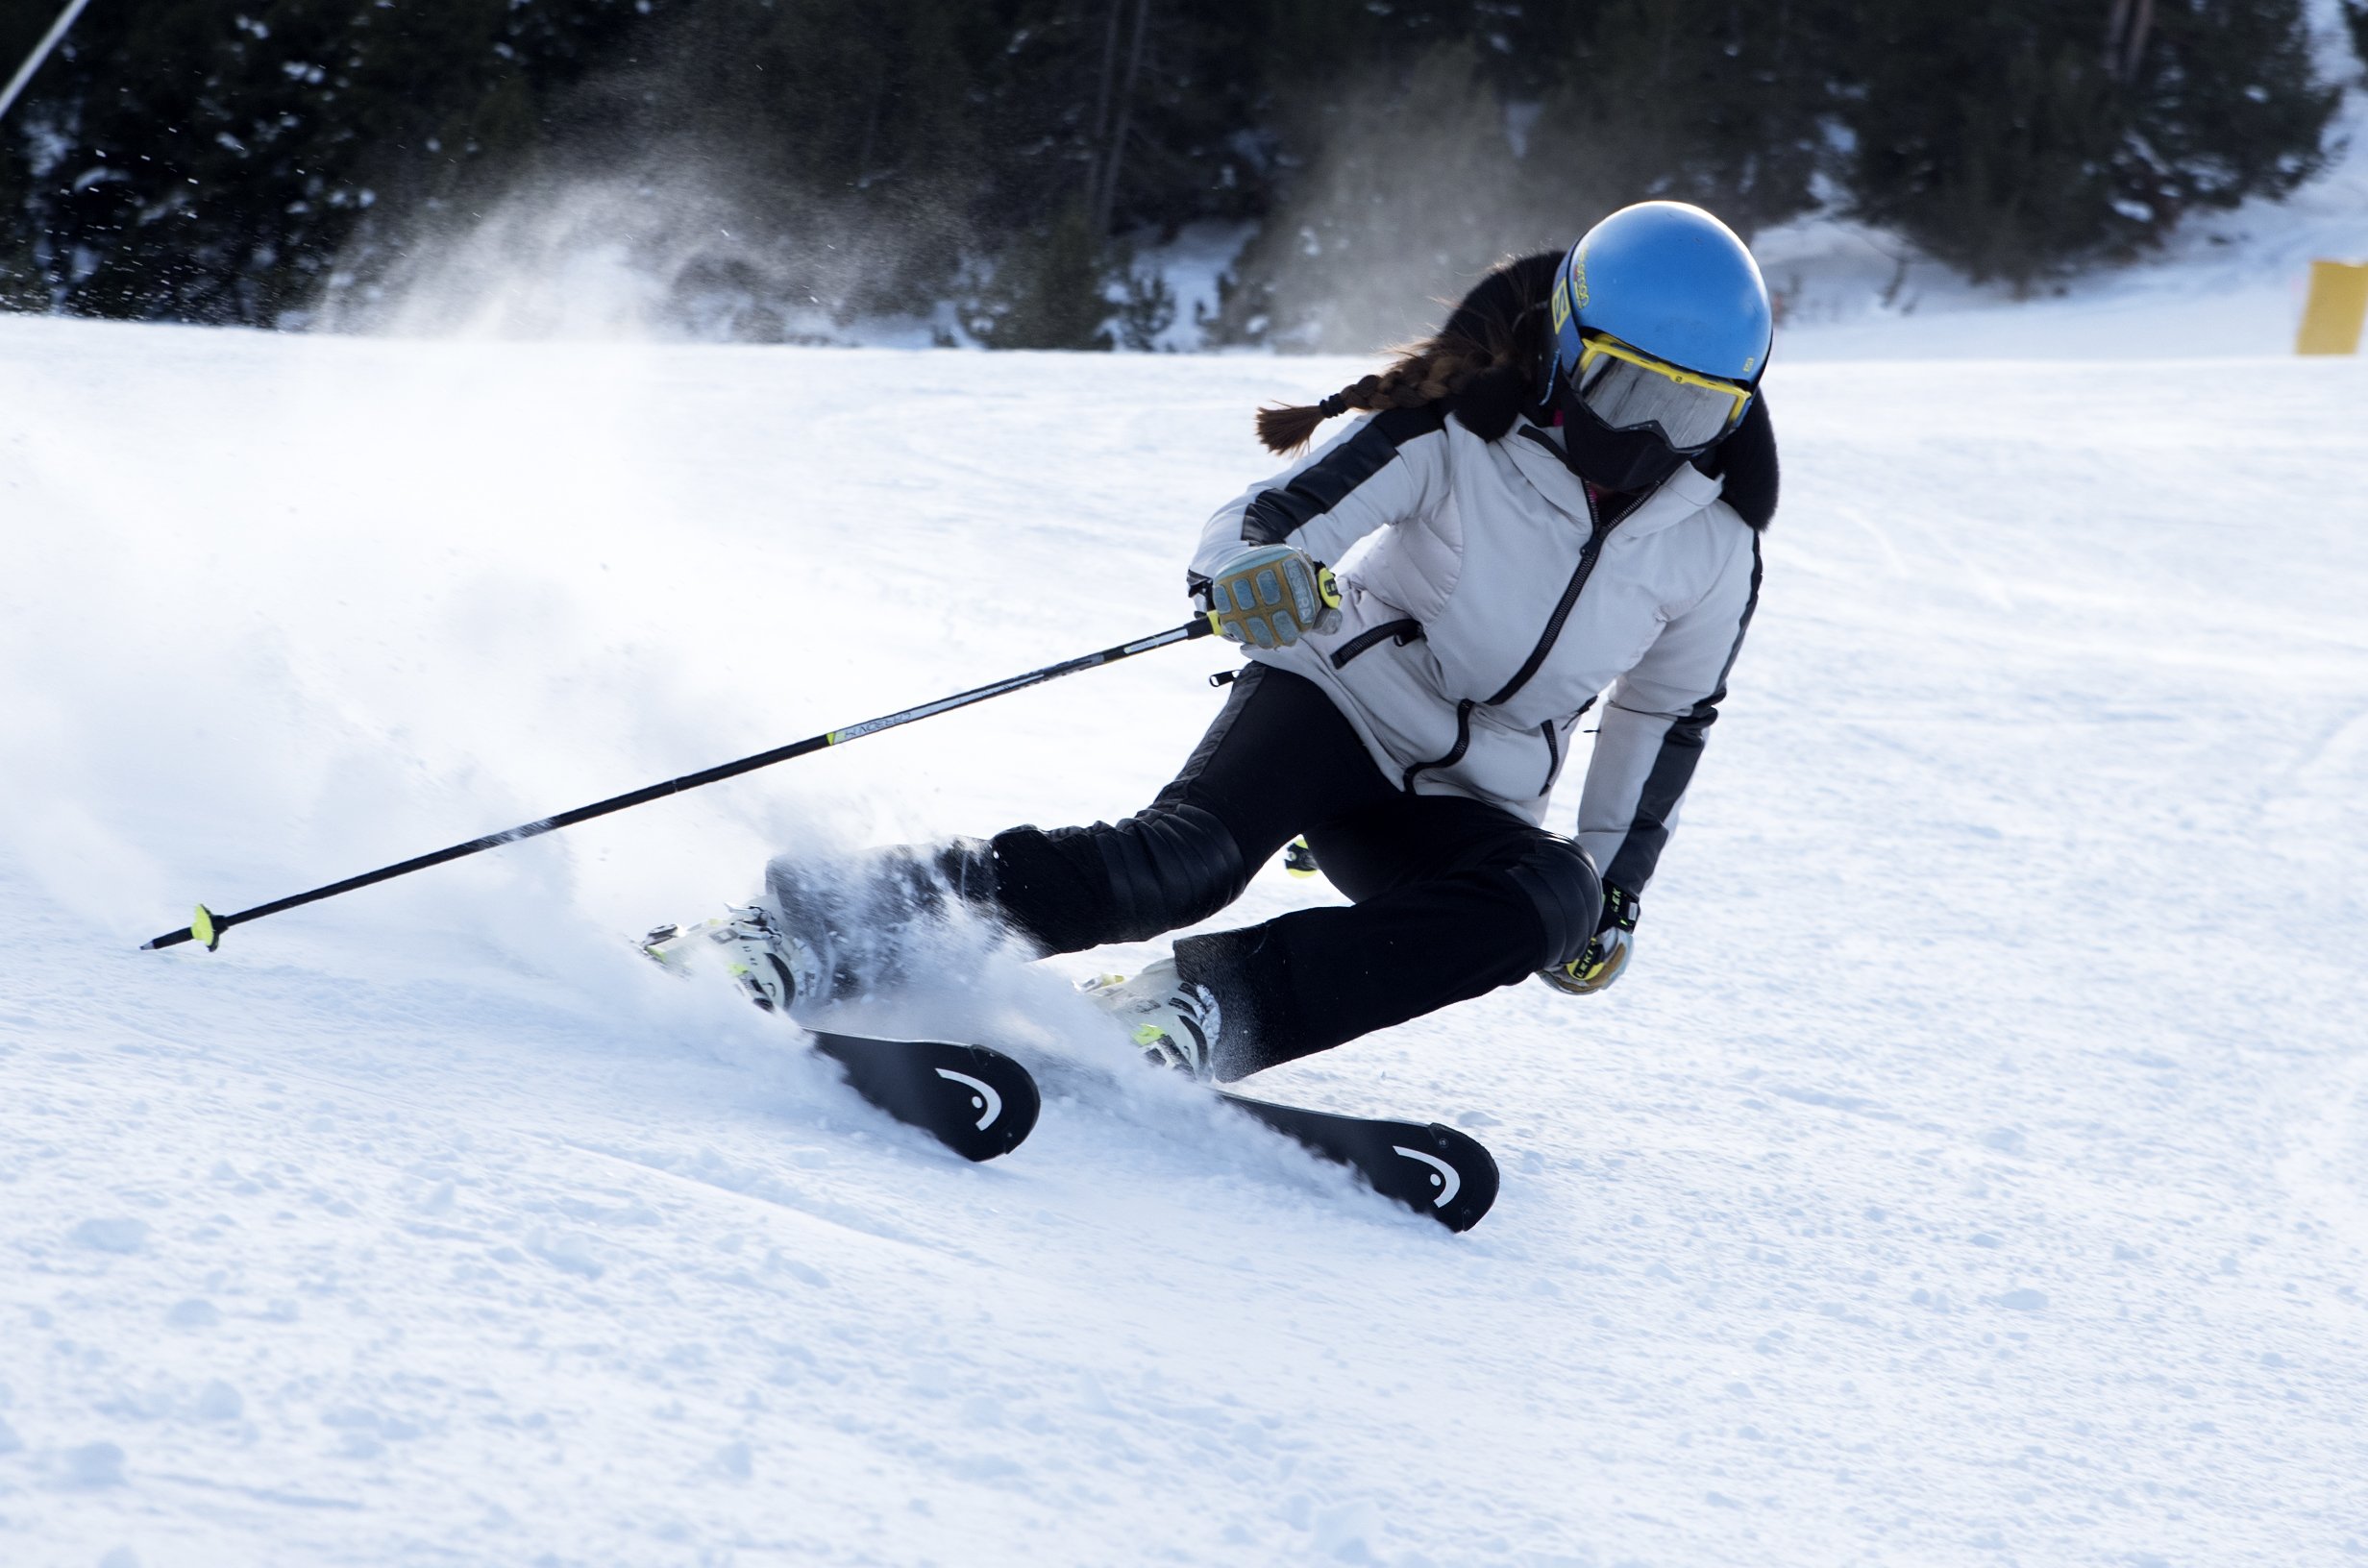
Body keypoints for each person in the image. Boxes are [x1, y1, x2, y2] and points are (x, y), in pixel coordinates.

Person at [726, 200, 1780, 1084]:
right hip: (1335, 700)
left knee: (1549, 900)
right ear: (1561, 346)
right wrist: (1249, 576)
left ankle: (1206, 1003)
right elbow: (1270, 516)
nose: (1644, 437)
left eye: (1690, 412)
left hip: (1473, 794)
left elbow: (1665, 713)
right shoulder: (1458, 433)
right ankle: (818, 923)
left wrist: (1612, 886)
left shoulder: (1713, 548)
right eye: (1621, 388)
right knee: (1179, 863)